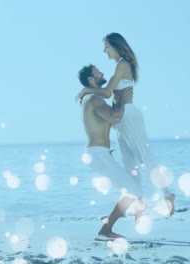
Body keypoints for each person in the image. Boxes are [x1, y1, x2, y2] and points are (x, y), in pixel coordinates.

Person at [76, 33, 175, 215]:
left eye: (107, 47)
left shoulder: (123, 64)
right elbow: (111, 96)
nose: (105, 51)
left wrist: (86, 89)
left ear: (116, 46)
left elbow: (106, 93)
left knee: (145, 154)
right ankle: (138, 203)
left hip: (128, 113)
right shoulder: (119, 65)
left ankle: (167, 194)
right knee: (129, 160)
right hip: (122, 116)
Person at [78, 64, 146, 240]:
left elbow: (115, 119)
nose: (102, 73)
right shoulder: (93, 98)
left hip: (101, 154)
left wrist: (119, 100)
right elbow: (115, 117)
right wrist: (122, 98)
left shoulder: (94, 98)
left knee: (134, 187)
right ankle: (105, 231)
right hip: (96, 154)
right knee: (132, 190)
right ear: (91, 80)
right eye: (97, 72)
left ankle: (137, 209)